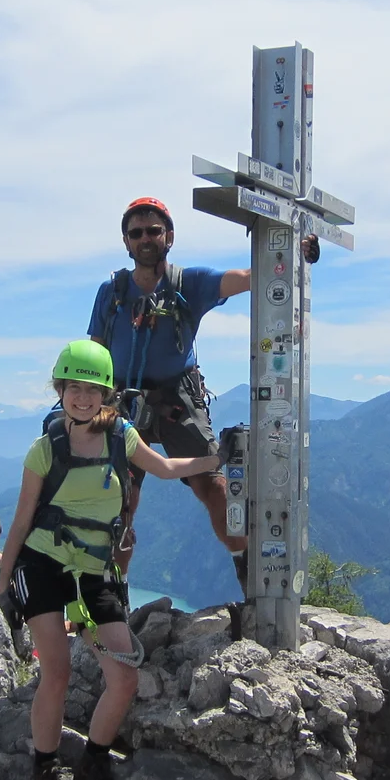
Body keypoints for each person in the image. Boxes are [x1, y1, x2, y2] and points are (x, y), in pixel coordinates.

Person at [0, 340, 223, 780]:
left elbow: (165, 468)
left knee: (123, 678)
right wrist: (3, 584)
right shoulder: (44, 449)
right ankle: (45, 770)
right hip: (42, 565)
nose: (82, 397)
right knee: (55, 671)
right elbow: (20, 521)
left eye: (91, 388)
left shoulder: (122, 437)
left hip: (94, 571)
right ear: (61, 391)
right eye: (74, 387)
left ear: (107, 394)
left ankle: (90, 771)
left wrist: (216, 461)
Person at [86, 196, 250, 588]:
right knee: (120, 502)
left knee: (211, 484)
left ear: (169, 236)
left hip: (177, 400)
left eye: (153, 231)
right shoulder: (111, 293)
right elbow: (94, 351)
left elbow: (248, 277)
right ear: (126, 242)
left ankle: (247, 567)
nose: (145, 239)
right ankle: (114, 595)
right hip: (123, 401)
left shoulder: (188, 284)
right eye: (136, 232)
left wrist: (292, 254)